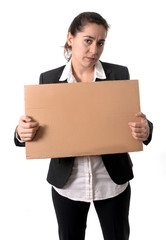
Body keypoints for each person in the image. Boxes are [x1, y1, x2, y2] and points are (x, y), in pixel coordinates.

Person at [14, 12, 153, 240]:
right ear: (70, 38)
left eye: (100, 43)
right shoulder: (48, 80)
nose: (94, 50)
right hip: (68, 184)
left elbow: (134, 119)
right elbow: (35, 127)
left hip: (112, 182)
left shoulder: (118, 74)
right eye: (87, 41)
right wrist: (21, 132)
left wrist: (145, 128)